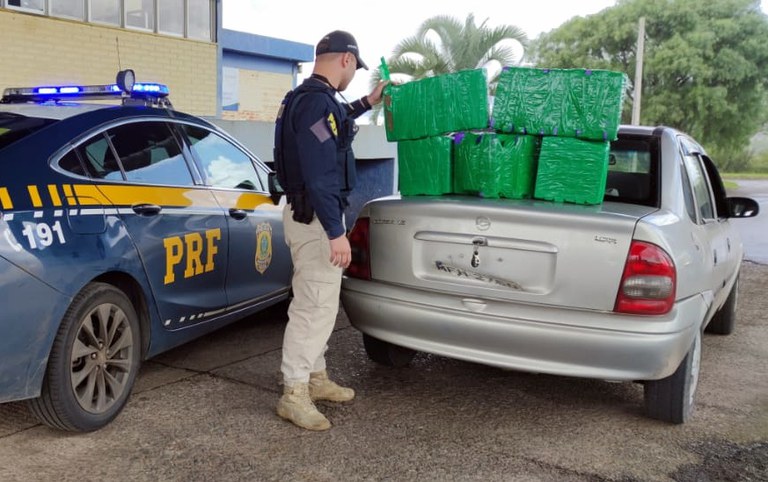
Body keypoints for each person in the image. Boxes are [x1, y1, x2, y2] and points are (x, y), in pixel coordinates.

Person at [273, 30, 387, 431]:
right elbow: (321, 173)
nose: (353, 77)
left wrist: (366, 103)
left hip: (310, 216)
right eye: (355, 69)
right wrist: (337, 232)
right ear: (346, 60)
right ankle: (295, 393)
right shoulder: (315, 104)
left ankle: (315, 378)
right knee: (313, 306)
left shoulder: (309, 99)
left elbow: (333, 129)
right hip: (318, 220)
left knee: (320, 303)